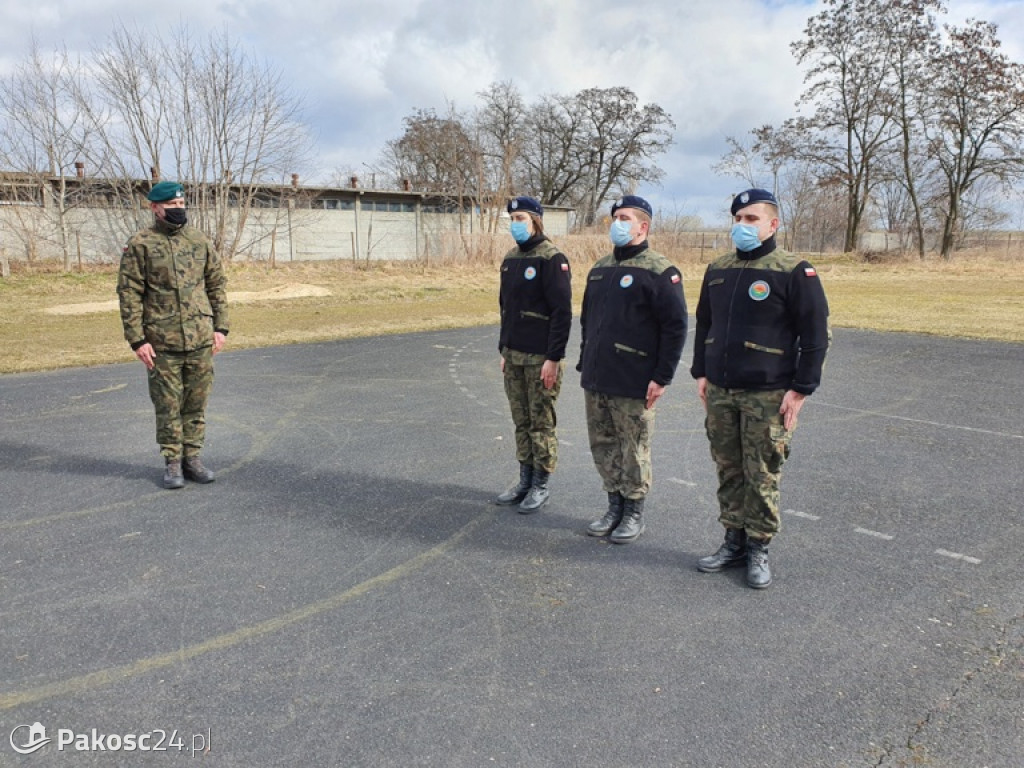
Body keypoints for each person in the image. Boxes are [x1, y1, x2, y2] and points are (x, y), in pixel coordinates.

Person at [691, 188, 830, 588]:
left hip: (768, 394)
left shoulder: (793, 271)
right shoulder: (718, 269)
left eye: (752, 219)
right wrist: (702, 371)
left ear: (773, 224)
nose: (742, 226)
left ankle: (758, 547)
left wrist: (801, 389)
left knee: (762, 472)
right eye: (737, 219)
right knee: (729, 468)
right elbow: (705, 323)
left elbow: (816, 333)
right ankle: (732, 541)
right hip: (720, 390)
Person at [577, 195, 687, 543]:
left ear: (643, 226)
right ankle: (614, 505)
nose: (617, 223)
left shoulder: (660, 270)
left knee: (634, 448)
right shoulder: (600, 268)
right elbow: (587, 320)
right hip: (598, 375)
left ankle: (634, 512)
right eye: (614, 218)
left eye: (625, 218)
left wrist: (662, 376)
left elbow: (675, 327)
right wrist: (585, 360)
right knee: (604, 445)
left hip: (634, 379)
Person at [117, 180, 230, 489]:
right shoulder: (140, 244)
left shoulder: (199, 241)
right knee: (167, 405)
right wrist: (137, 340)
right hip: (161, 342)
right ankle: (172, 463)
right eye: (172, 206)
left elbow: (216, 285)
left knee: (196, 403)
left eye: (181, 205)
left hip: (199, 339)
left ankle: (193, 459)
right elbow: (129, 294)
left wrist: (221, 328)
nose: (178, 210)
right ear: (155, 208)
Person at [494, 196, 573, 513]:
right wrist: (504, 349)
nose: (515, 224)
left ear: (537, 220)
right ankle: (524, 479)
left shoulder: (552, 258)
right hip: (514, 356)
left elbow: (561, 313)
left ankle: (540, 484)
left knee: (541, 423)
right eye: (512, 219)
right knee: (521, 421)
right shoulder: (511, 259)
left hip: (541, 359)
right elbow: (506, 309)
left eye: (521, 218)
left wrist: (553, 357)